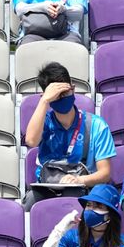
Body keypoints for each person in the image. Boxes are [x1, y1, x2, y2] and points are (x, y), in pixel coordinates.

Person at [23, 61, 115, 206]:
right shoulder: (44, 122)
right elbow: (31, 141)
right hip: (48, 187)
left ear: (73, 88)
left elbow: (105, 173)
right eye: (56, 96)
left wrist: (80, 180)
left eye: (65, 93)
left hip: (84, 188)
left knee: (74, 196)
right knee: (30, 201)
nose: (61, 98)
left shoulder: (97, 125)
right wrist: (44, 101)